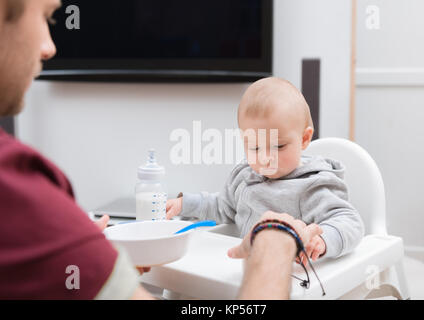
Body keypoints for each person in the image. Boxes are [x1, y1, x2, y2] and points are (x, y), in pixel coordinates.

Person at [0, 0, 321, 300]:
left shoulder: (317, 182)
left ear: (305, 139)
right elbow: (221, 205)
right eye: (45, 17)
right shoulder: (15, 186)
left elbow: (343, 223)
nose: (50, 46)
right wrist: (275, 241)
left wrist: (86, 257)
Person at [167, 77, 365, 265]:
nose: (265, 158)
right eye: (255, 148)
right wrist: (185, 204)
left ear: (304, 139)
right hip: (244, 269)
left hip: (288, 277)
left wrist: (324, 240)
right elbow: (222, 207)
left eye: (278, 146)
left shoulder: (310, 185)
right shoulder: (243, 176)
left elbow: (349, 221)